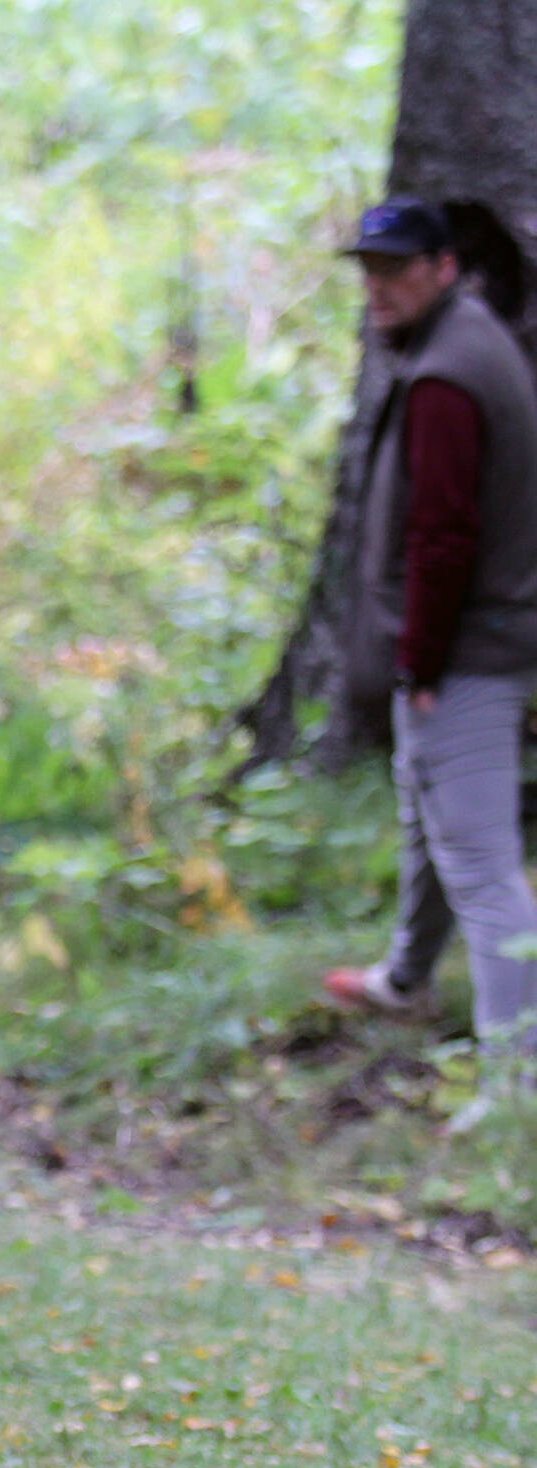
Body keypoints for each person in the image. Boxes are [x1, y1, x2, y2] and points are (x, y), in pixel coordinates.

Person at [321, 199, 537, 1107]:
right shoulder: (471, 339)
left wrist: (421, 666)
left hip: (470, 656)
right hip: (480, 642)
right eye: (368, 268)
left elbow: (443, 537)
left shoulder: (449, 374)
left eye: (395, 268)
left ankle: (514, 1087)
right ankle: (406, 981)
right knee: (429, 811)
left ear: (443, 268)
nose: (377, 286)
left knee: (483, 869)